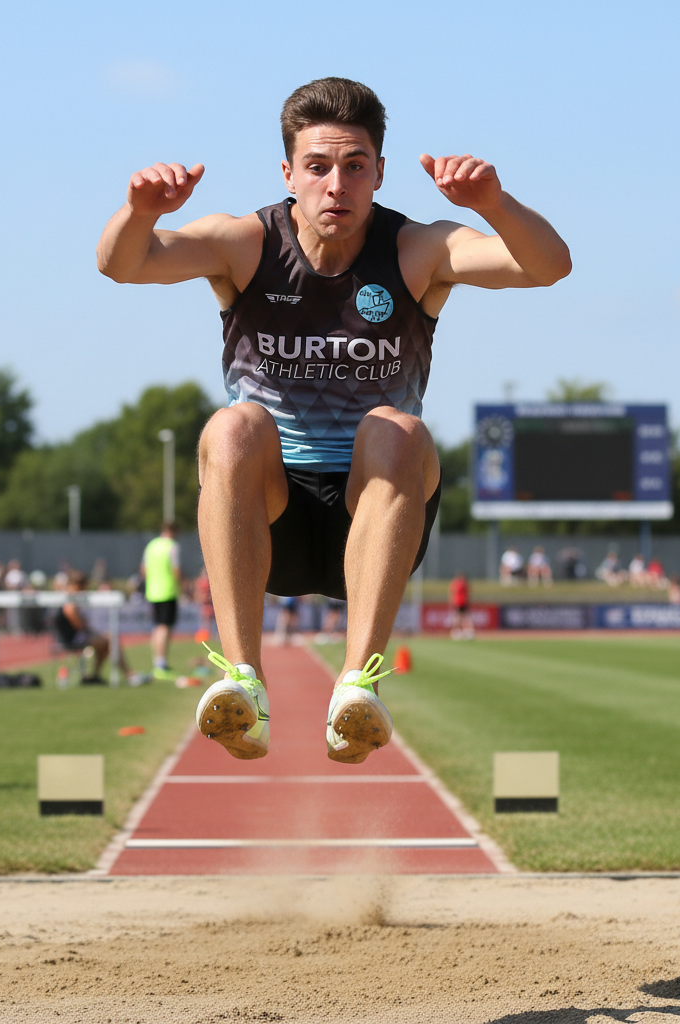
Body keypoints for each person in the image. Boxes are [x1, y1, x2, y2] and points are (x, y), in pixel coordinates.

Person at [97, 77, 570, 763]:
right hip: (268, 515)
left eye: (355, 166)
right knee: (234, 426)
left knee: (397, 426)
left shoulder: (416, 250)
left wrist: (494, 204)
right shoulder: (245, 244)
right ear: (289, 173)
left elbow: (548, 266)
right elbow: (123, 265)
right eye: (318, 167)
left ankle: (359, 685)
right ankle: (242, 682)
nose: (336, 185)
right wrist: (139, 211)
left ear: (379, 172)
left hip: (372, 512)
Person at [53, 571, 143, 684]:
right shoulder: (70, 603)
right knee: (111, 639)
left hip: (76, 637)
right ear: (78, 586)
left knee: (108, 642)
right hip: (72, 640)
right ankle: (129, 674)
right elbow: (80, 626)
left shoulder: (70, 600)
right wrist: (87, 626)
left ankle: (96, 675)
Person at [141, 521, 183, 679]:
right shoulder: (172, 546)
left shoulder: (151, 545)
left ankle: (157, 661)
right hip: (167, 591)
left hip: (152, 592)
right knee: (165, 627)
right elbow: (176, 570)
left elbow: (143, 569)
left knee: (157, 627)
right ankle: (161, 664)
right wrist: (183, 585)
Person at [448, 572, 474, 640]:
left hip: (459, 602)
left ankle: (459, 631)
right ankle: (461, 631)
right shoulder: (463, 584)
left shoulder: (455, 583)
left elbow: (452, 593)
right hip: (460, 602)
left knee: (461, 617)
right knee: (462, 617)